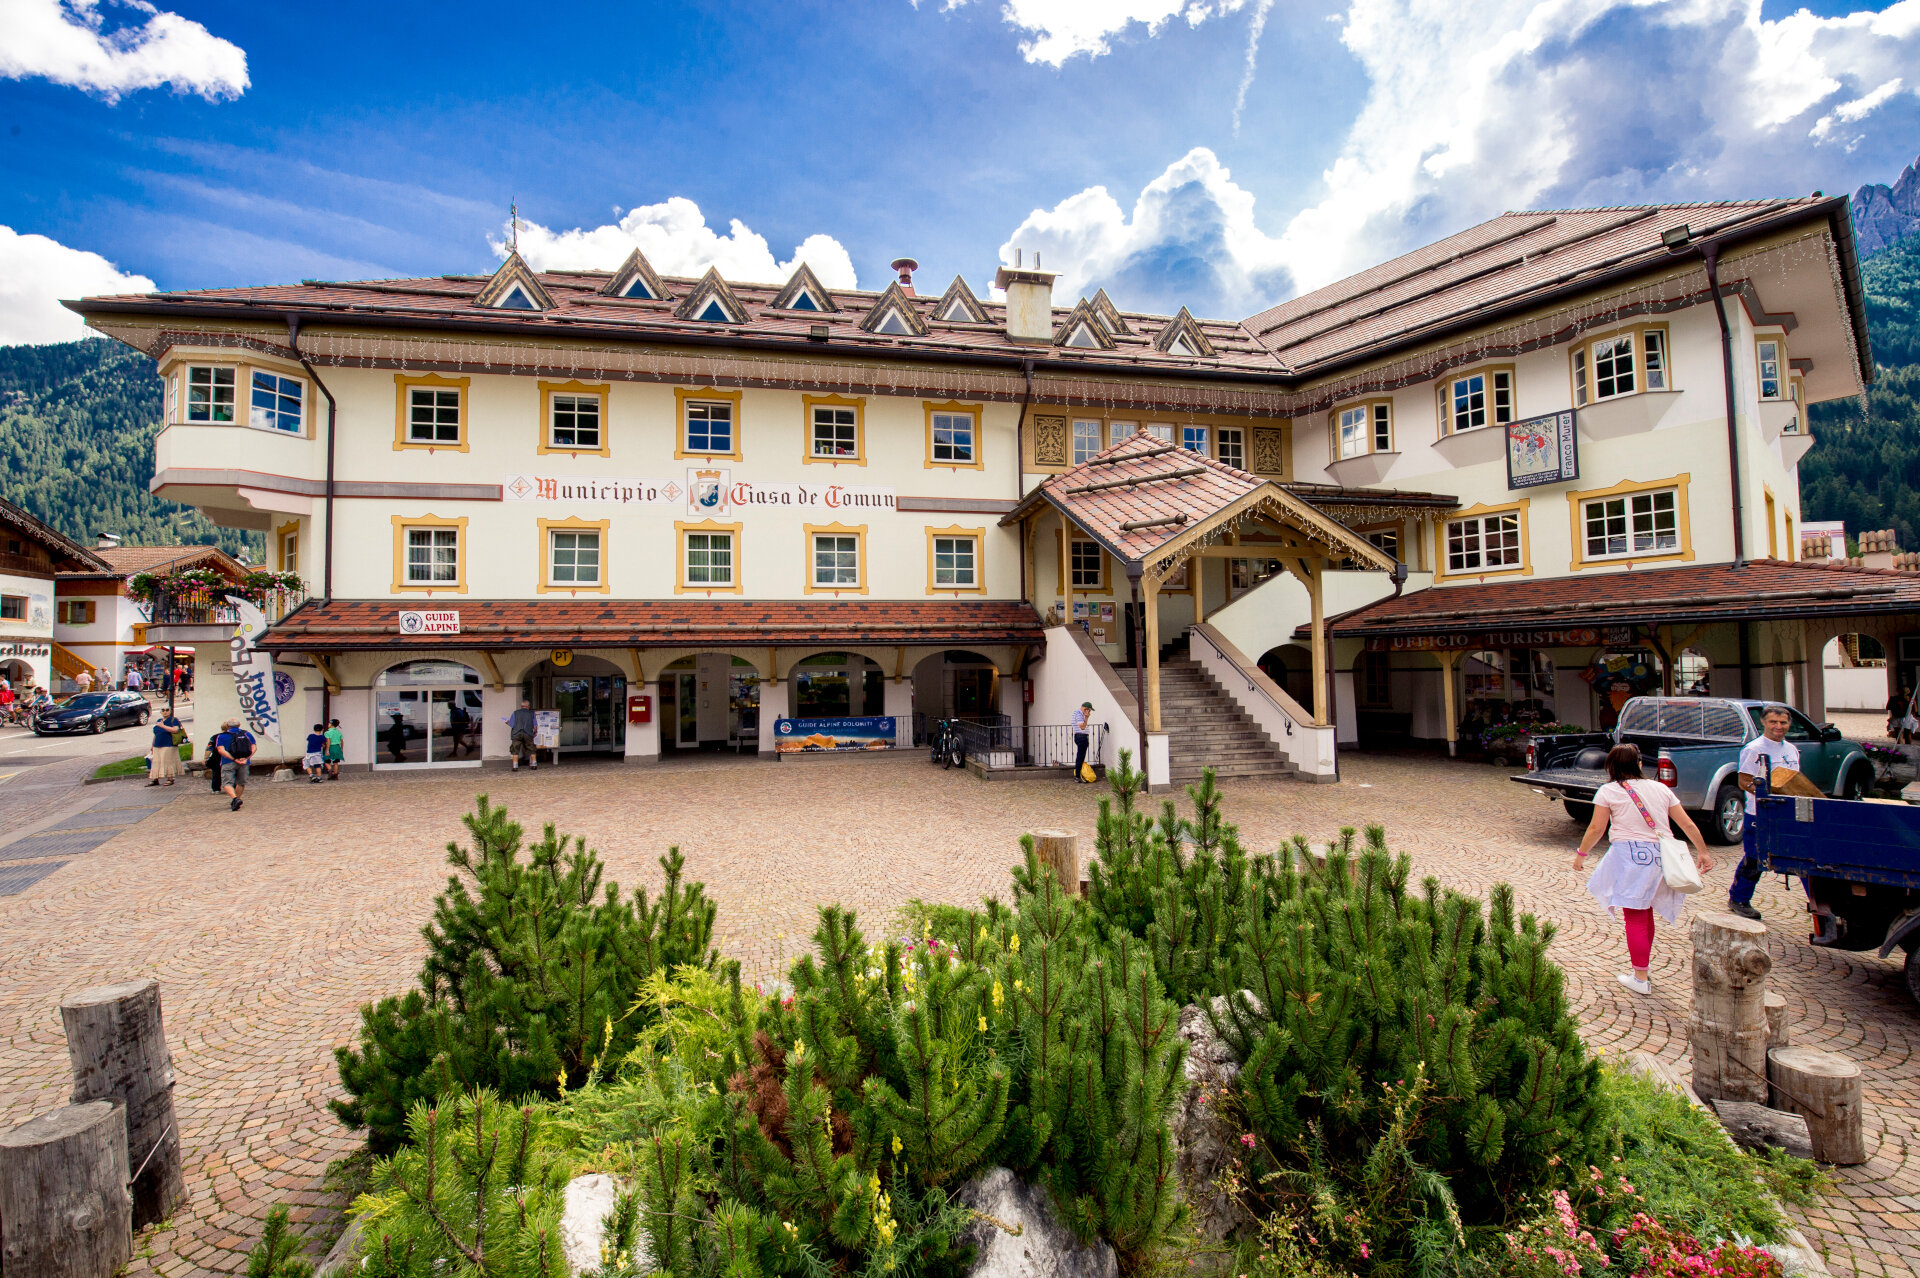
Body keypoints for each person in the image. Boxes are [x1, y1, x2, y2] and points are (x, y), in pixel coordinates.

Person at [1574, 743, 1714, 994]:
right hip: (1660, 857)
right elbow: (1687, 824)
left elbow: (1596, 829)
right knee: (1645, 912)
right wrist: (1702, 852)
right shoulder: (1661, 789)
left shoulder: (1608, 791)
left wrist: (1581, 855)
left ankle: (1640, 977)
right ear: (1639, 764)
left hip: (1631, 858)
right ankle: (1643, 969)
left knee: (1635, 917)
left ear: (1611, 766)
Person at [1730, 704, 1799, 920]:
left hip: (1785, 812)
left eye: (1783, 722)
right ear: (1764, 723)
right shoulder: (1754, 749)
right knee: (1755, 857)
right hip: (1758, 814)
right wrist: (1765, 795)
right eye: (1773, 722)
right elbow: (1743, 781)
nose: (1778, 727)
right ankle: (1739, 899)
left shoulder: (1791, 750)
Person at [214, 716, 255, 811]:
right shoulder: (247, 734)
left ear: (227, 726)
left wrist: (233, 759)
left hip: (228, 762)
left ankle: (235, 799)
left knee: (227, 783)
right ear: (239, 725)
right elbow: (254, 747)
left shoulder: (222, 736)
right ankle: (237, 800)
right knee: (241, 782)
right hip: (244, 761)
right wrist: (246, 758)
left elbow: (221, 750)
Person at [147, 708, 183, 786]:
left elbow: (175, 730)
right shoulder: (159, 720)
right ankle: (155, 779)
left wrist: (163, 726)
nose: (165, 712)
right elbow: (156, 734)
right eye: (163, 710)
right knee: (156, 762)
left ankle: (170, 778)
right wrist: (152, 746)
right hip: (157, 745)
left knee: (167, 761)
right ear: (160, 712)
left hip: (168, 744)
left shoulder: (173, 720)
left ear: (170, 711)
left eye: (167, 710)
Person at [509, 699, 538, 770]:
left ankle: (515, 766)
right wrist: (535, 732)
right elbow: (535, 725)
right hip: (528, 733)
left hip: (516, 733)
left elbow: (511, 724)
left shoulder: (515, 713)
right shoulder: (531, 713)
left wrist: (507, 722)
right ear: (528, 706)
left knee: (515, 750)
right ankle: (534, 764)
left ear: (521, 706)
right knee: (531, 748)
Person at [1071, 701, 1094, 782]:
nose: (1089, 712)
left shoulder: (1078, 713)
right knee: (1080, 756)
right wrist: (1087, 717)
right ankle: (1077, 776)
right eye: (1089, 710)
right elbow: (1082, 727)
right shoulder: (1079, 714)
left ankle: (1078, 774)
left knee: (1080, 756)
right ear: (1086, 709)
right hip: (1081, 736)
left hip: (1080, 736)